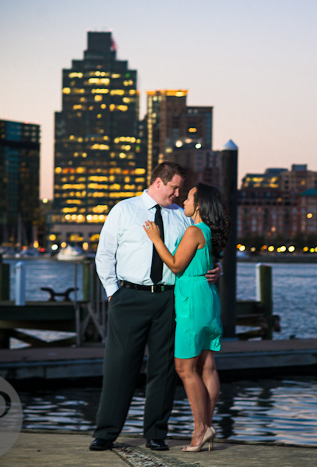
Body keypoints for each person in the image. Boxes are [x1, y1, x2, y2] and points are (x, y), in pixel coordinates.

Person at [90, 162, 221, 452]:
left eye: (181, 189)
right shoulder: (124, 210)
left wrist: (217, 268)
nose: (178, 193)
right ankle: (106, 433)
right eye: (174, 187)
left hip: (169, 299)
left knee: (163, 368)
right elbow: (104, 254)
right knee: (120, 366)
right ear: (158, 183)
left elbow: (200, 251)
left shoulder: (183, 217)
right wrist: (114, 293)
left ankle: (156, 433)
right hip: (129, 297)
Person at [143, 182, 227, 452]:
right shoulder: (209, 231)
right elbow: (210, 263)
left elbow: (177, 266)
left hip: (192, 299)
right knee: (207, 366)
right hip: (208, 296)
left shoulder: (193, 230)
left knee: (184, 368)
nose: (185, 201)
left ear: (199, 204)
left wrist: (156, 239)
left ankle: (201, 429)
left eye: (189, 197)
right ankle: (206, 427)